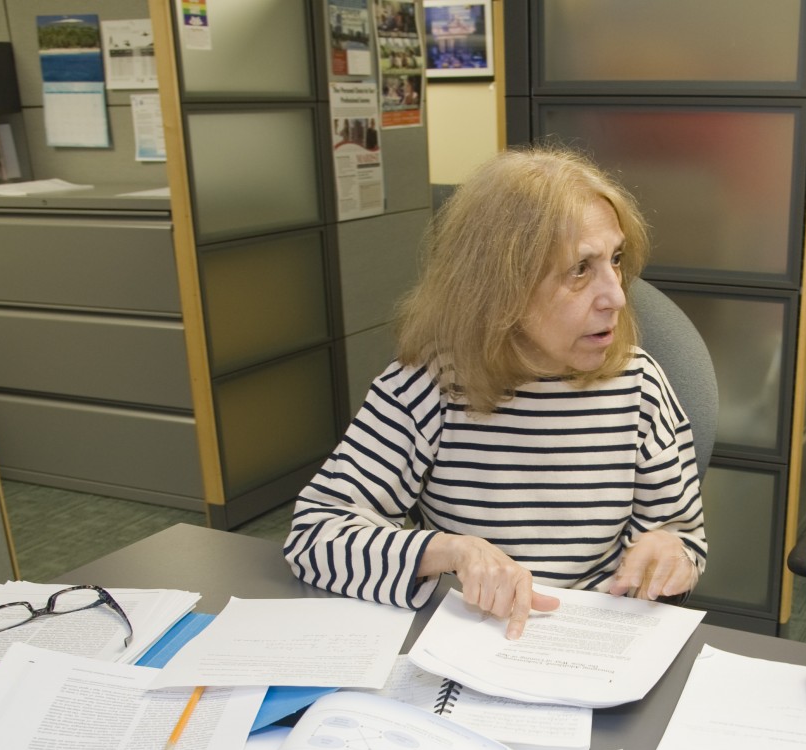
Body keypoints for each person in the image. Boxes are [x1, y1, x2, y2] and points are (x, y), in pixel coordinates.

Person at [284, 147, 707, 639]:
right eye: (579, 270)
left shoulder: (640, 386)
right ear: (501, 286)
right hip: (473, 633)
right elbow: (313, 536)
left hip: (592, 640)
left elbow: (685, 541)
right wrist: (449, 550)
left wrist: (670, 553)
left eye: (615, 260)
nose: (615, 294)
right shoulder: (429, 384)